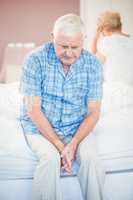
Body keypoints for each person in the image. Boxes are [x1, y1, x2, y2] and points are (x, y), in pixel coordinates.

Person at [19, 13, 105, 200]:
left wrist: (73, 143)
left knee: (92, 160)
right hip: (40, 128)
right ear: (52, 38)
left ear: (83, 40)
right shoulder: (34, 60)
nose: (69, 52)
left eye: (75, 47)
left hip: (77, 126)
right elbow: (33, 109)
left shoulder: (93, 65)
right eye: (63, 46)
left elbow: (94, 111)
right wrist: (59, 145)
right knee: (50, 160)